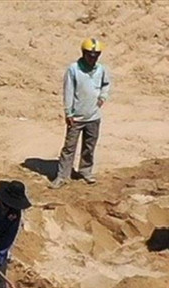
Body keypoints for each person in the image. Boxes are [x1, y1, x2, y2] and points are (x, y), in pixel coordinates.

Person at [53, 38, 111, 188]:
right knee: (69, 148)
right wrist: (68, 112)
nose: (93, 58)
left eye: (96, 55)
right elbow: (68, 92)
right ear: (84, 53)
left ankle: (85, 171)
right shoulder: (73, 69)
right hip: (77, 117)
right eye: (90, 55)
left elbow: (106, 84)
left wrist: (102, 97)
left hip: (94, 116)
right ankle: (62, 176)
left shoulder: (101, 70)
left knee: (89, 146)